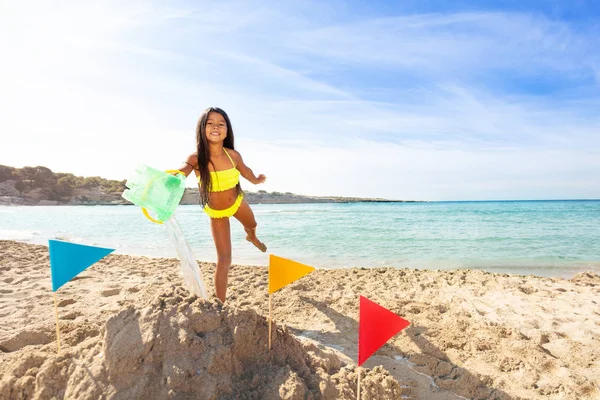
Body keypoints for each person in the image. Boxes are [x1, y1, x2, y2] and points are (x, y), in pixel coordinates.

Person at [177, 107, 267, 302]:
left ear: (227, 129)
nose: (215, 127)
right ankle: (220, 304)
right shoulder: (196, 158)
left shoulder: (233, 156)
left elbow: (247, 172)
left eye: (221, 123)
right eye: (210, 123)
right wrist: (170, 176)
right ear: (202, 128)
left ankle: (251, 237)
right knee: (224, 260)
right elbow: (181, 171)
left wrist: (257, 180)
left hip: (237, 202)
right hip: (217, 213)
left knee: (253, 225)